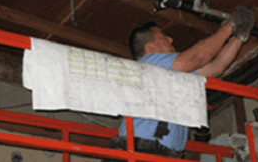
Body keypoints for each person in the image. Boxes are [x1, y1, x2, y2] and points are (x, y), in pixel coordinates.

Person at [103, 15, 249, 161]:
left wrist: (239, 37)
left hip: (155, 153)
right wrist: (231, 24)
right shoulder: (148, 64)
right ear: (151, 47)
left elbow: (216, 66)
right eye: (162, 37)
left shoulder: (172, 74)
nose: (171, 39)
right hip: (142, 152)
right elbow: (198, 57)